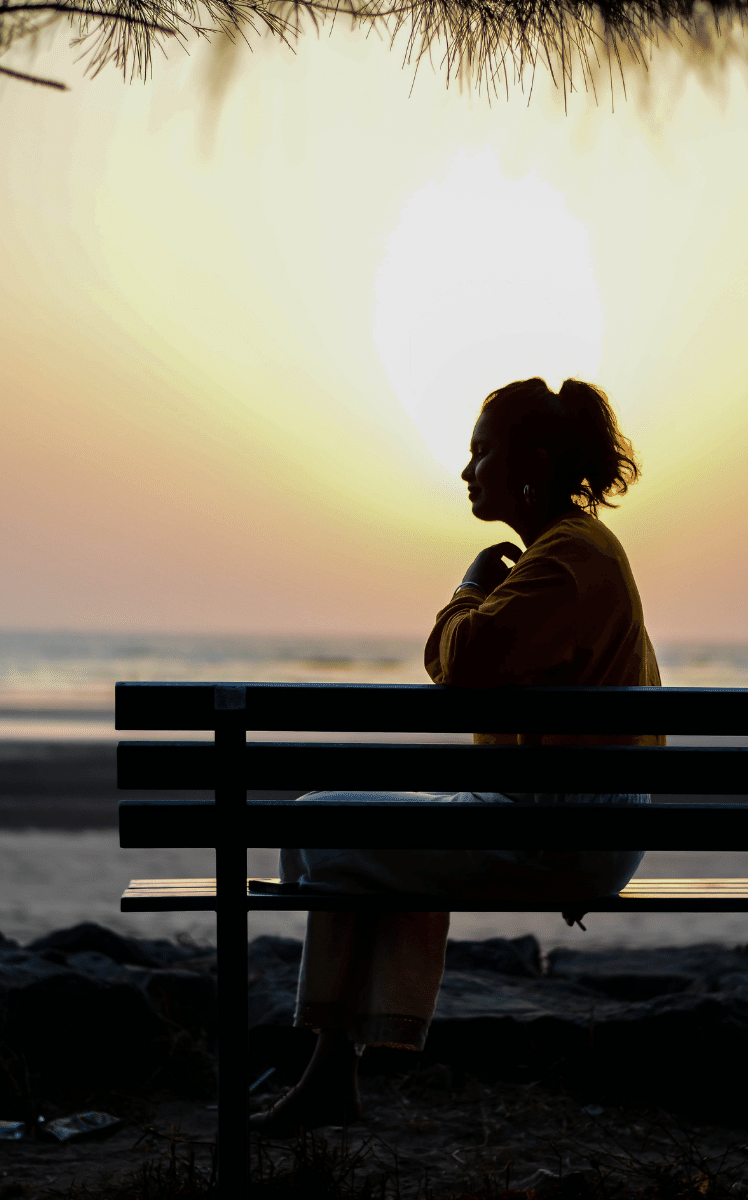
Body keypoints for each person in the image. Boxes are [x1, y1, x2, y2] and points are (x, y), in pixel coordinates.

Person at [251, 376, 663, 1133]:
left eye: (480, 454)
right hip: (571, 820)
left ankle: (329, 1073)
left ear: (530, 460)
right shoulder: (574, 554)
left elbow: (463, 663)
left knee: (323, 828)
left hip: (561, 833)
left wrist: (468, 584)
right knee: (348, 835)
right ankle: (330, 1074)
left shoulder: (567, 559)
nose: (467, 471)